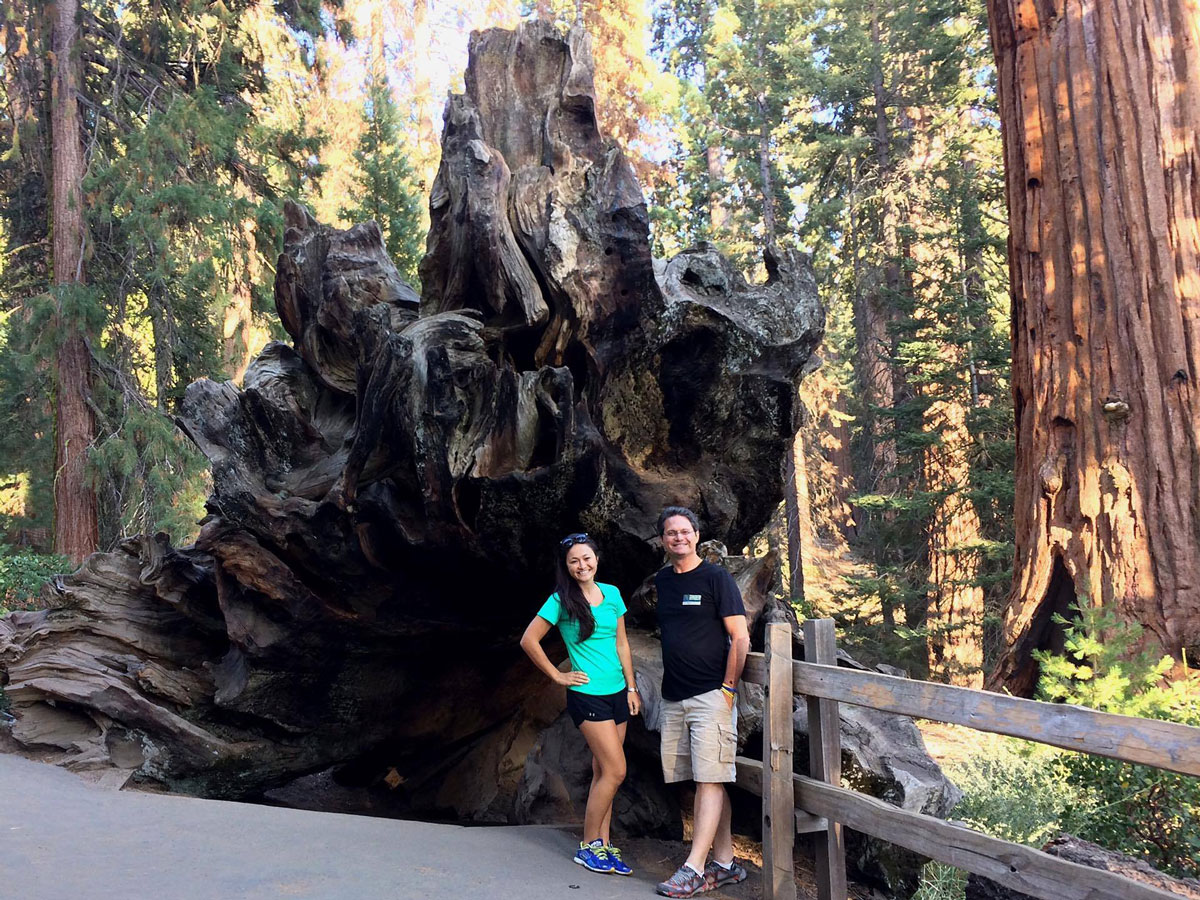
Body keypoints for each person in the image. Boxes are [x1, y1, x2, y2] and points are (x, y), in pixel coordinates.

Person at [520, 533, 641, 876]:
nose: (581, 565)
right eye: (574, 561)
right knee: (617, 770)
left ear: (596, 559)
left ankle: (603, 843)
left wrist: (632, 687)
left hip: (618, 691)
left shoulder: (613, 594)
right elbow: (529, 640)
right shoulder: (561, 600)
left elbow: (622, 645)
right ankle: (589, 846)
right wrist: (557, 677)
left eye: (586, 558)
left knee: (604, 771)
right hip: (587, 696)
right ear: (567, 566)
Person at [653, 506, 752, 898]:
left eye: (684, 531)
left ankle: (694, 868)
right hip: (674, 696)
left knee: (711, 778)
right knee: (705, 780)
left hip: (712, 694)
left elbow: (740, 637)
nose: (678, 537)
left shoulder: (716, 578)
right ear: (663, 540)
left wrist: (728, 688)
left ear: (696, 534)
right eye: (670, 532)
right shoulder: (663, 581)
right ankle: (725, 863)